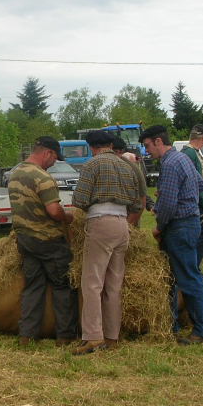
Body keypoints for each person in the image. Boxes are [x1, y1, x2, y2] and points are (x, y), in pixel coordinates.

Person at [71, 130, 144, 355]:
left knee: (92, 283)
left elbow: (80, 200)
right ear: (111, 144)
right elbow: (137, 202)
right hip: (122, 224)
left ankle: (93, 336)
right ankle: (112, 336)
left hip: (100, 223)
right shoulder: (126, 165)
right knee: (114, 284)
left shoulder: (92, 165)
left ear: (92, 147)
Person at [140, 125, 203, 344]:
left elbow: (169, 206)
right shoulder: (183, 159)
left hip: (179, 227)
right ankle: (171, 324)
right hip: (190, 223)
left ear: (158, 142)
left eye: (147, 146)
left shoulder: (170, 164)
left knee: (189, 279)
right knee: (181, 277)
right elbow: (200, 184)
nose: (147, 152)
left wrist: (159, 227)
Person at [7, 136, 79, 347]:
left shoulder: (15, 173)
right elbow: (54, 211)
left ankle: (27, 335)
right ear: (47, 152)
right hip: (49, 242)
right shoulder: (43, 177)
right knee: (63, 286)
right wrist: (69, 216)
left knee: (33, 287)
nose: (54, 163)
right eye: (54, 159)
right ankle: (65, 337)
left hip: (25, 240)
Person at [181, 124, 203, 263]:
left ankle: (194, 268)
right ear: (202, 138)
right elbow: (194, 181)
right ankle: (193, 267)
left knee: (202, 233)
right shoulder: (189, 153)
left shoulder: (193, 152)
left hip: (199, 201)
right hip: (196, 202)